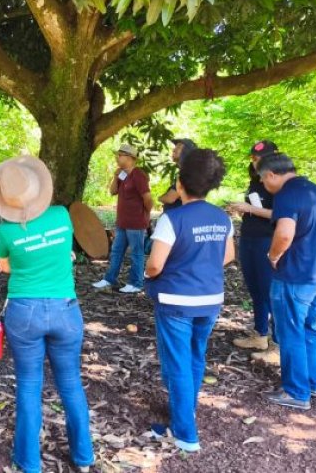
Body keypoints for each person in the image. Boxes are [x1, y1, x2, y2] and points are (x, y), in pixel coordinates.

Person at [0, 156, 94, 473]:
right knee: (71, 384)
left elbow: (3, 266)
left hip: (24, 312)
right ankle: (84, 458)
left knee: (29, 384)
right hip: (66, 310)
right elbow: (65, 251)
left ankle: (29, 462)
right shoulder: (62, 216)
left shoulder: (7, 231)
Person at [144, 149, 234, 453]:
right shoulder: (222, 217)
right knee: (196, 355)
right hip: (210, 299)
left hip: (175, 301)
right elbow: (229, 256)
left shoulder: (172, 219)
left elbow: (155, 264)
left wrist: (148, 273)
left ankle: (185, 433)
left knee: (177, 363)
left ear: (180, 184)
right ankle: (188, 409)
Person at [257, 153, 316, 410]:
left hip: (294, 276)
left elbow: (285, 233)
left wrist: (273, 255)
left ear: (270, 175)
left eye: (263, 180)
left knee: (290, 333)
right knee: (308, 330)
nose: (264, 186)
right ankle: (313, 383)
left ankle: (296, 392)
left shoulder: (287, 195)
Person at [227, 140, 279, 355]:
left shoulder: (279, 182)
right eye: (253, 158)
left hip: (268, 240)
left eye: (258, 158)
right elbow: (257, 209)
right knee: (255, 289)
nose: (255, 161)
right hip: (249, 238)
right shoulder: (256, 180)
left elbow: (281, 215)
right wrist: (243, 210)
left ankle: (277, 344)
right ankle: (260, 335)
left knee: (270, 291)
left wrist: (250, 209)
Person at [93, 144, 153, 293]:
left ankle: (136, 283)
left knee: (136, 253)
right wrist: (115, 176)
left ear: (130, 158)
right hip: (122, 221)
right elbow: (113, 191)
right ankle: (109, 279)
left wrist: (145, 214)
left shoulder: (139, 175)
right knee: (116, 251)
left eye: (120, 155)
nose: (117, 158)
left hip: (136, 222)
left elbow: (148, 198)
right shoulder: (122, 174)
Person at [158, 138, 197, 211]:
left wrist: (159, 198)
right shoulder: (185, 172)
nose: (174, 150)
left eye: (178, 147)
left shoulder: (188, 173)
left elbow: (170, 198)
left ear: (187, 151)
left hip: (181, 218)